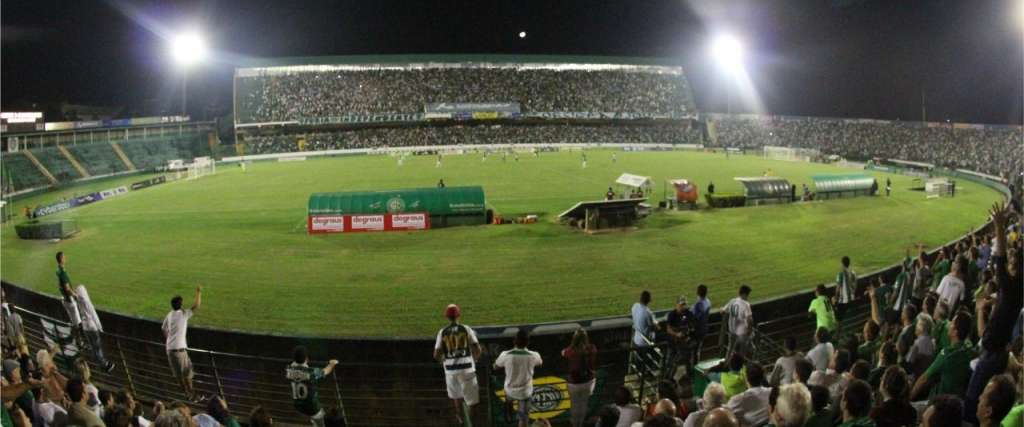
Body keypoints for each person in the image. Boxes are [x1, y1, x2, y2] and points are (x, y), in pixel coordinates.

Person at [965, 202, 1022, 423]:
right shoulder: (1016, 289)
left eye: (1014, 261)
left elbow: (998, 262)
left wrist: (999, 226)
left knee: (973, 399)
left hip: (993, 352)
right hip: (996, 350)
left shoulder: (1013, 286)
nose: (1011, 262)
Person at [433, 303, 482, 425]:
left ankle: (460, 420)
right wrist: (474, 360)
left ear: (447, 317)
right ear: (458, 315)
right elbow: (477, 348)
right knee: (472, 402)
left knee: (457, 398)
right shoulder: (466, 329)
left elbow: (436, 354)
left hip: (450, 371)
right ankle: (470, 424)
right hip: (467, 370)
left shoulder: (442, 332)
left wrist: (442, 362)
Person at [911, 312, 975, 400]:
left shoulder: (947, 354)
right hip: (957, 402)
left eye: (952, 322)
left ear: (955, 332)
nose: (949, 324)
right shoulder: (969, 350)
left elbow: (924, 379)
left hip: (940, 402)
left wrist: (909, 398)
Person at [494, 330, 543, 427]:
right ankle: (517, 415)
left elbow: (495, 366)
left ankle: (509, 406)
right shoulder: (534, 355)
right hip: (525, 392)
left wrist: (497, 363)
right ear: (528, 342)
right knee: (523, 420)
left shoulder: (505, 354)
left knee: (508, 395)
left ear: (514, 341)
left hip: (510, 391)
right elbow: (540, 363)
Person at [162, 286, 201, 401]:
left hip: (169, 349)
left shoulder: (169, 315)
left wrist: (169, 339)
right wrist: (198, 293)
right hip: (179, 351)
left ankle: (187, 395)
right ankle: (193, 396)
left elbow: (163, 329)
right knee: (187, 374)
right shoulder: (183, 314)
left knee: (179, 376)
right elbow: (196, 306)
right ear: (180, 304)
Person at [286, 346, 338, 427]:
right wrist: (332, 363)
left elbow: (296, 368)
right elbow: (326, 371)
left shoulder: (289, 370)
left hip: (298, 406)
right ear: (306, 358)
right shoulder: (311, 372)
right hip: (312, 409)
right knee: (322, 422)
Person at [75, 284, 116, 372]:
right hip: (92, 327)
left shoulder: (78, 300)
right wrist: (99, 327)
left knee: (93, 347)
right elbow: (93, 315)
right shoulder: (86, 301)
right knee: (97, 347)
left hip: (85, 327)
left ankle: (99, 363)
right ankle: (104, 365)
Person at [562, 328, 597, 427]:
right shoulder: (592, 348)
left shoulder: (570, 350)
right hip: (588, 382)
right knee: (583, 404)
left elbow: (563, 353)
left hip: (575, 383)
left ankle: (575, 424)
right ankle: (579, 424)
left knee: (575, 405)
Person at [725, 362, 770, 427]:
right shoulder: (773, 391)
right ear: (763, 376)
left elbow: (724, 414)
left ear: (746, 378)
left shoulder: (738, 399)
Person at [665, 296, 693, 379]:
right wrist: (676, 334)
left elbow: (691, 325)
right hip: (673, 342)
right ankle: (667, 378)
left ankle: (689, 376)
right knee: (670, 361)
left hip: (683, 343)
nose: (683, 307)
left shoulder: (688, 313)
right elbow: (668, 329)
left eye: (684, 305)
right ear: (676, 305)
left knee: (687, 360)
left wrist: (687, 332)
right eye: (681, 305)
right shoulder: (672, 314)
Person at [722, 286, 753, 358]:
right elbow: (750, 319)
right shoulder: (746, 304)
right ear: (744, 294)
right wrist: (749, 330)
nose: (748, 296)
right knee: (743, 352)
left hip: (732, 330)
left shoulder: (732, 301)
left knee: (730, 349)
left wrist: (721, 309)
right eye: (747, 294)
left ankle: (727, 364)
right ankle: (739, 367)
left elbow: (723, 311)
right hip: (742, 333)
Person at [834, 256, 857, 332]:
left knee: (838, 319)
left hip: (843, 301)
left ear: (842, 264)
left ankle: (838, 334)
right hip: (852, 299)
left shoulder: (840, 274)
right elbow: (855, 286)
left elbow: (838, 289)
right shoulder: (853, 273)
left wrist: (836, 300)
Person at [691, 285, 711, 366]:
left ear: (698, 292)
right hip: (704, 328)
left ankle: (693, 369)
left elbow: (694, 317)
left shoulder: (698, 304)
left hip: (697, 330)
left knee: (693, 351)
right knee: (697, 350)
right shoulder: (708, 301)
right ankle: (695, 366)